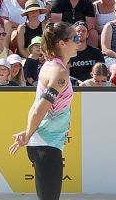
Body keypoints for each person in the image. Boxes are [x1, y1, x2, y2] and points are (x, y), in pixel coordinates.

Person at [10, 22, 77, 200]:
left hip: (45, 141)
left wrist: (28, 131)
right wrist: (28, 133)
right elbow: (39, 109)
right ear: (62, 43)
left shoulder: (51, 65)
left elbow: (36, 107)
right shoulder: (58, 72)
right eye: (75, 38)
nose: (79, 41)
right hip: (46, 144)